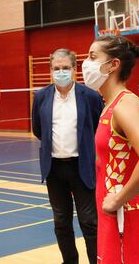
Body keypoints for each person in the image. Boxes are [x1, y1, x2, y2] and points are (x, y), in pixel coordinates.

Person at [83, 35, 139, 263]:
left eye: (92, 57)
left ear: (113, 64)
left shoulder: (124, 105)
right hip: (112, 217)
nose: (85, 64)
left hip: (128, 217)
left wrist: (119, 198)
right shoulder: (108, 105)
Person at [32, 49, 103, 264]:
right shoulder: (41, 96)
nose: (60, 72)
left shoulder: (90, 96)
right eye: (56, 68)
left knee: (89, 222)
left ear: (74, 70)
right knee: (61, 222)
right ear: (50, 70)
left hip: (82, 167)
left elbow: (99, 127)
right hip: (54, 168)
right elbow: (38, 129)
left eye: (65, 68)